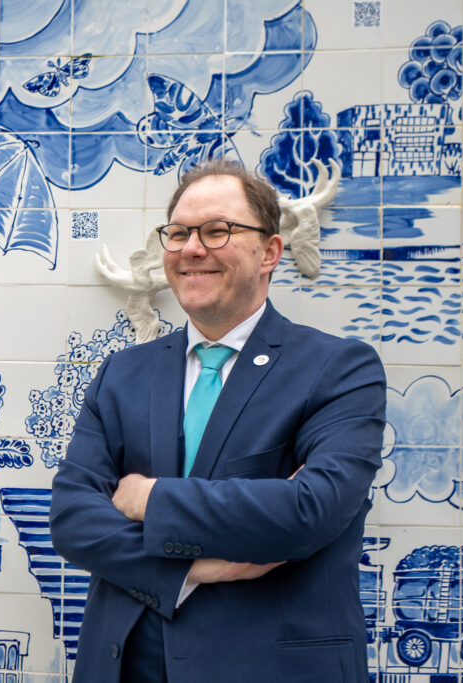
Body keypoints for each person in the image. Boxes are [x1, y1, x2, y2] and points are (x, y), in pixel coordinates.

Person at [49, 158, 386, 682]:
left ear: (270, 251)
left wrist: (149, 498)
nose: (191, 248)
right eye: (178, 233)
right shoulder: (122, 372)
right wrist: (191, 569)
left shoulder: (340, 369)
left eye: (217, 231)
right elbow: (72, 518)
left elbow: (309, 511)